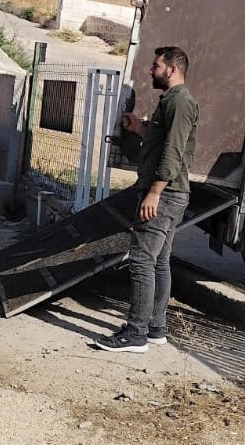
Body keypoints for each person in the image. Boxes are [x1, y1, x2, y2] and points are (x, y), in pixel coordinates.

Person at [94, 46, 199, 353]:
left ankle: (136, 333)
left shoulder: (180, 102)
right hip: (170, 192)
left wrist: (154, 191)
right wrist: (140, 128)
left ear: (173, 69)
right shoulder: (171, 101)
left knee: (141, 260)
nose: (151, 71)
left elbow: (174, 151)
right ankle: (156, 329)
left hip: (164, 193)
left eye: (156, 66)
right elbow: (162, 141)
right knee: (160, 261)